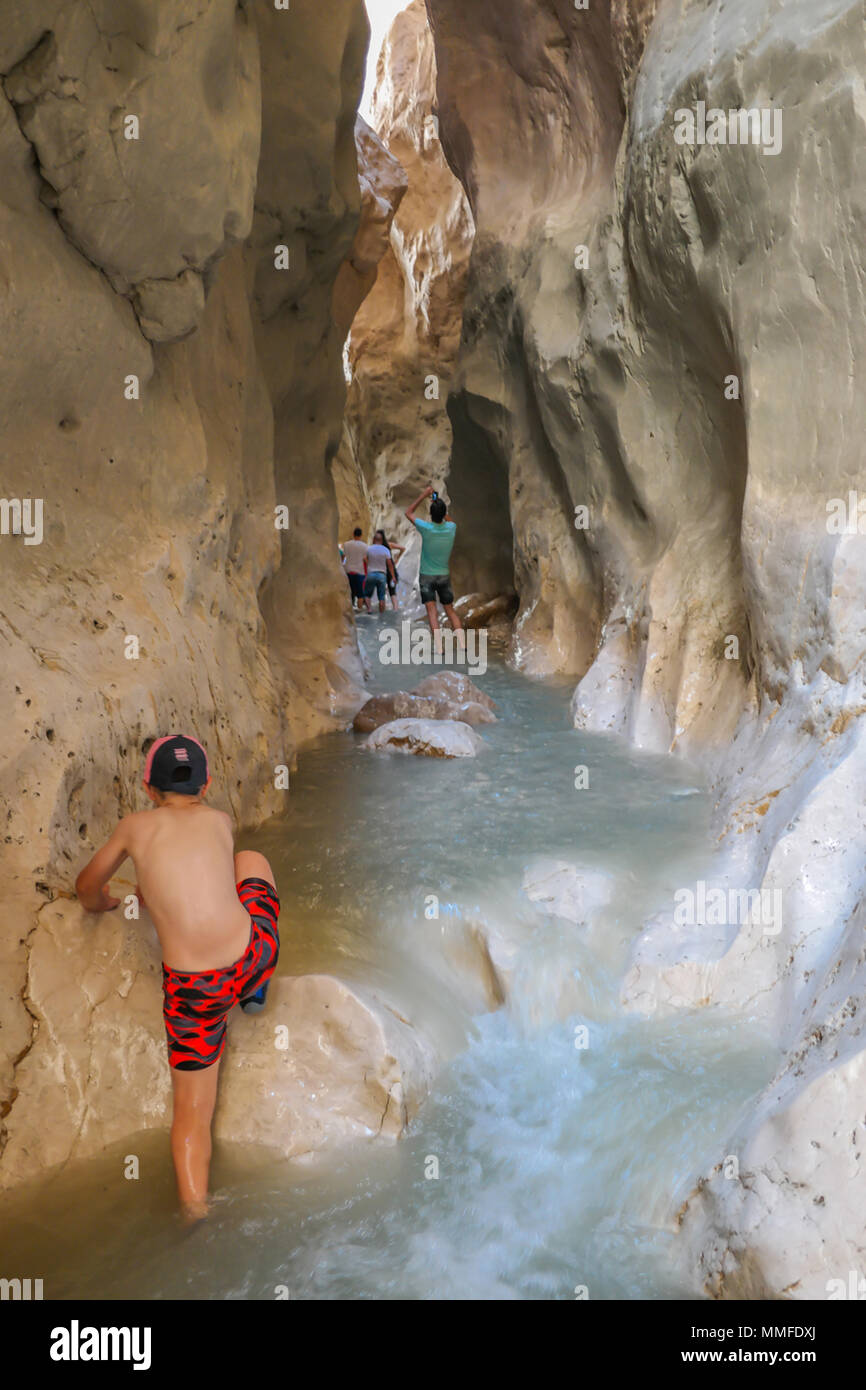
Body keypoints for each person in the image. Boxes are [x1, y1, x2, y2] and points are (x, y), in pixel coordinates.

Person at [74, 735, 280, 1221]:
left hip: (195, 992)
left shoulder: (133, 827)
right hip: (249, 956)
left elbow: (87, 886)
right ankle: (255, 990)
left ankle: (194, 1211)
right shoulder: (219, 821)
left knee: (191, 1114)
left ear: (148, 788)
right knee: (251, 863)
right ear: (205, 785)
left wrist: (103, 903)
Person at [404, 485, 463, 636]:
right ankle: (464, 644)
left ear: (430, 514)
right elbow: (447, 519)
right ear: (443, 513)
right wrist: (437, 500)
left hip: (426, 576)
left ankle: (439, 647)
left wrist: (423, 495)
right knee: (450, 611)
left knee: (432, 612)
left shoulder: (426, 528)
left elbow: (408, 512)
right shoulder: (451, 528)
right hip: (444, 576)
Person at [363, 528, 397, 614]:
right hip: (382, 575)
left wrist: (369, 564)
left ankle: (369, 609)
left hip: (371, 574)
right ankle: (381, 614)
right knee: (381, 597)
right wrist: (393, 577)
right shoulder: (385, 550)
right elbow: (390, 565)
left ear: (374, 539)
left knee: (367, 594)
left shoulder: (369, 549)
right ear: (381, 540)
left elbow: (364, 558)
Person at [341, 526, 368, 609]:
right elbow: (365, 560)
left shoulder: (346, 544)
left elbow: (343, 557)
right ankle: (359, 611)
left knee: (349, 593)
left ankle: (350, 610)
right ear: (361, 535)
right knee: (360, 594)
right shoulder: (365, 546)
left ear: (353, 534)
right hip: (360, 572)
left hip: (348, 571)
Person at [381, 531, 405, 611]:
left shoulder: (378, 547)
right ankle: (395, 608)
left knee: (382, 590)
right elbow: (402, 548)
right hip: (391, 569)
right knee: (392, 591)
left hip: (382, 569)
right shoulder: (389, 544)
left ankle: (383, 608)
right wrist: (397, 558)